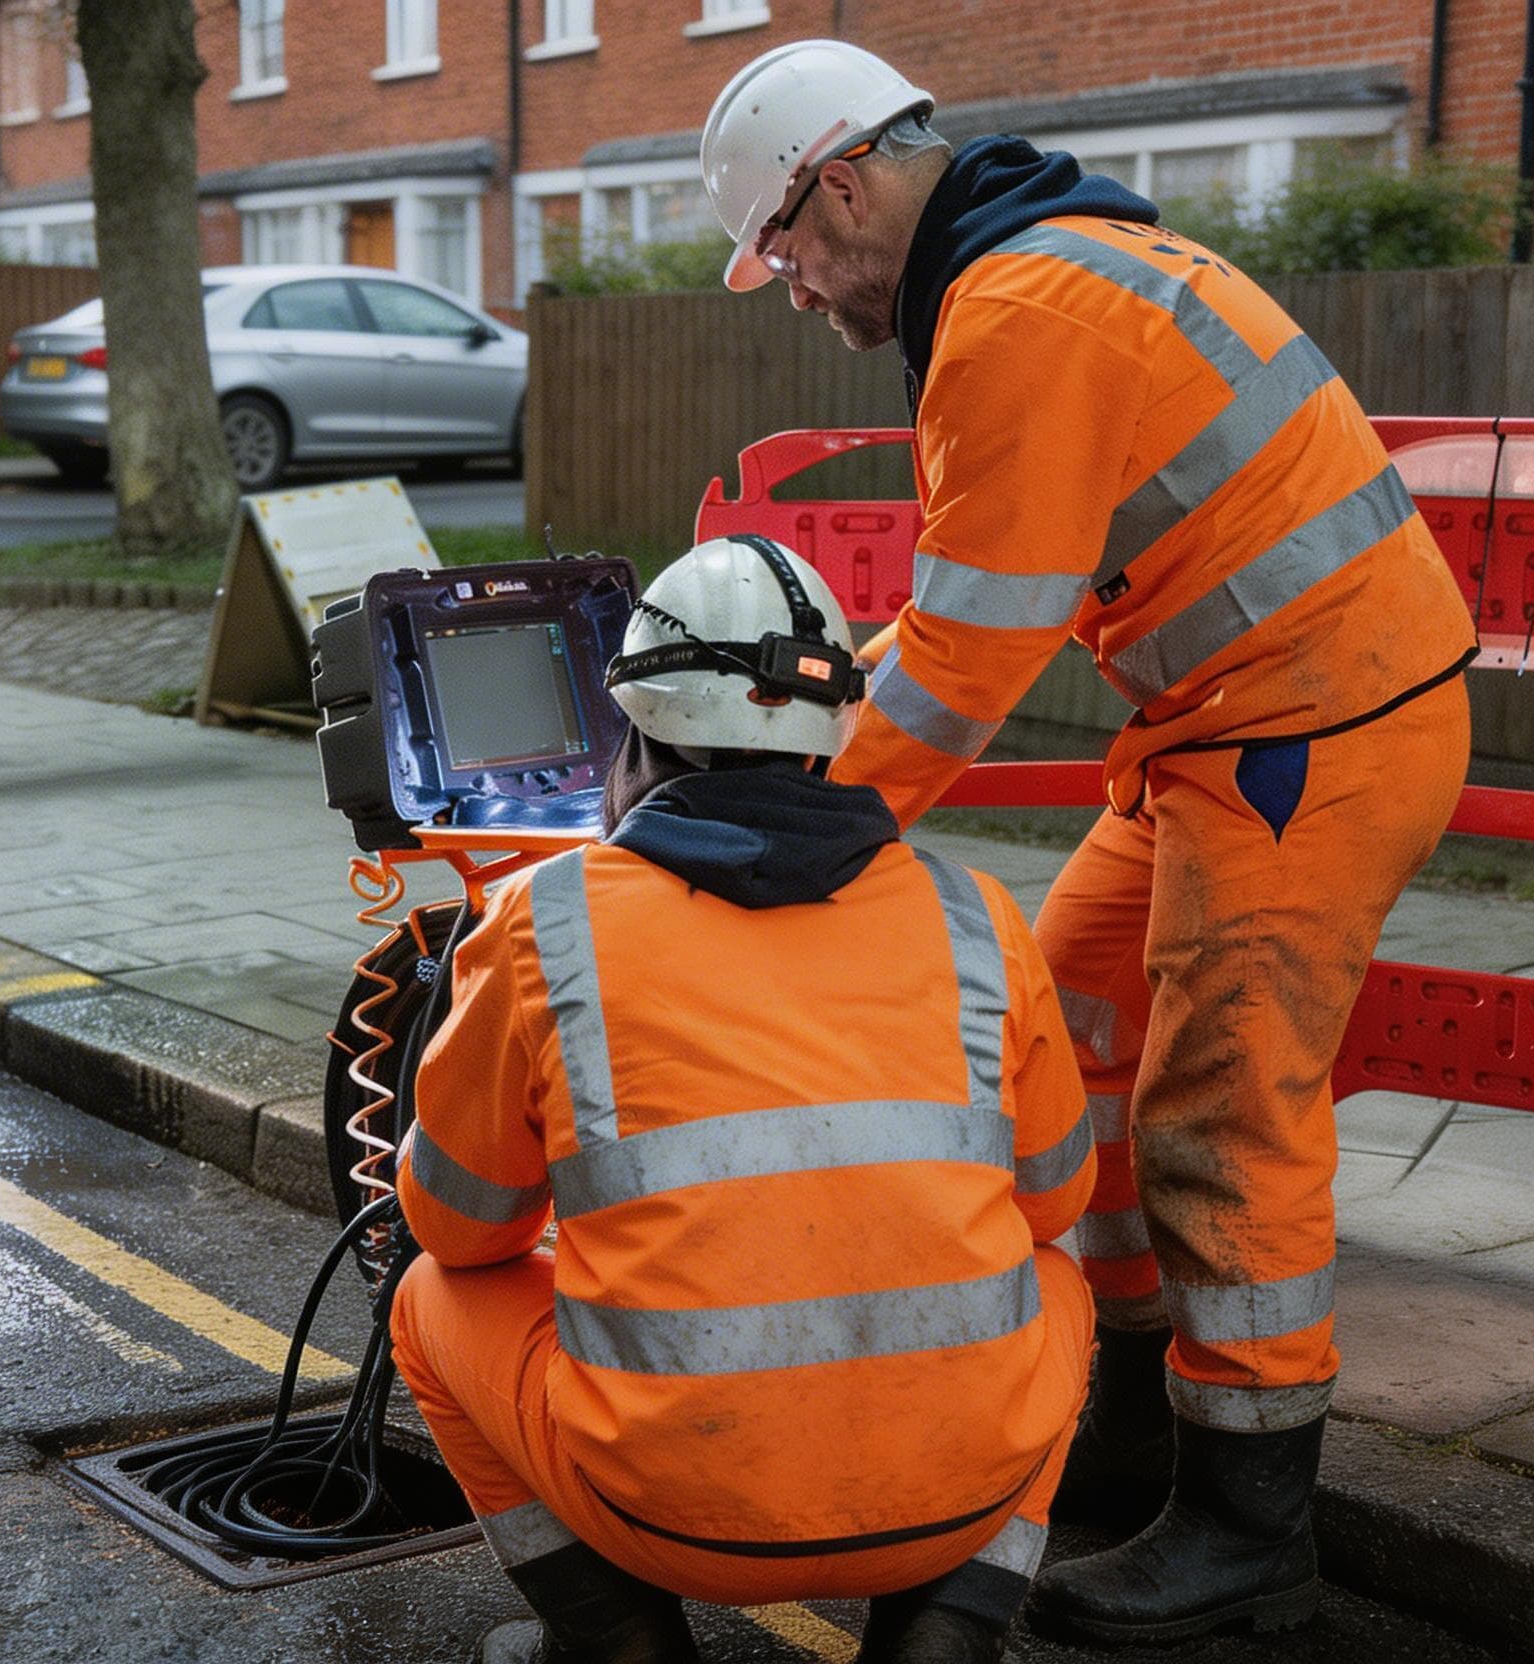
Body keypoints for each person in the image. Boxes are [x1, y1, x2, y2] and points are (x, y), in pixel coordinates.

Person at [700, 41, 1479, 1649]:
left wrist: (803, 830)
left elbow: (972, 649)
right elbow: (959, 620)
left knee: (1222, 1106)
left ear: (838, 186)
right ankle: (1135, 1426)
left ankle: (1250, 1520)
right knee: (1070, 1033)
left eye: (785, 252)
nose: (793, 290)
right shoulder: (1037, 264)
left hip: (1310, 731)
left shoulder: (1020, 311)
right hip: (1233, 726)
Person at [390, 535, 1099, 1664]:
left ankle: (618, 1636)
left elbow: (457, 1227)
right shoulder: (975, 914)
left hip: (669, 1514)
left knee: (428, 1299)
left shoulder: (544, 920)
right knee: (1057, 1278)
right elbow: (1058, 1199)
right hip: (960, 1496)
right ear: (834, 739)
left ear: (633, 733)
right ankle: (952, 1626)